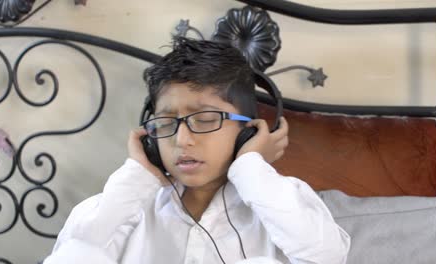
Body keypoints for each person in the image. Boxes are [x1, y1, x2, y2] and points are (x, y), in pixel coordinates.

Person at [44, 37, 350, 264]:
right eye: (165, 123)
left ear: (248, 132)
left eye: (205, 119)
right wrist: (137, 175)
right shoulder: (125, 206)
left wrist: (251, 167)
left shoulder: (283, 199)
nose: (182, 139)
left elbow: (327, 256)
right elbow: (71, 253)